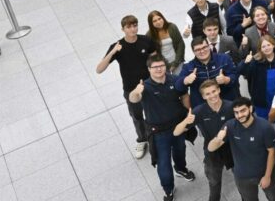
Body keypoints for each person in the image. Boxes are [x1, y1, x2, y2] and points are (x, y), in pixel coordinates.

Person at [130, 55, 195, 201]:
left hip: (179, 126)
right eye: (155, 67)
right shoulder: (145, 86)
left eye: (161, 66)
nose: (159, 69)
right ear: (149, 69)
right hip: (158, 132)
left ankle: (180, 169)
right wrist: (136, 91)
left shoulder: (174, 79)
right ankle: (168, 189)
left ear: (166, 66)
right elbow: (133, 99)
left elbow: (184, 96)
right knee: (163, 163)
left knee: (180, 151)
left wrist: (190, 114)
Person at [95, 15, 158, 159]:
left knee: (154, 111)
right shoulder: (117, 46)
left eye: (135, 25)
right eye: (129, 27)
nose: (133, 29)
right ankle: (142, 139)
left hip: (148, 84)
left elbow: (155, 58)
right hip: (130, 89)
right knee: (137, 116)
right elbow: (99, 69)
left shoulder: (146, 40)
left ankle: (156, 136)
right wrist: (113, 52)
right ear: (123, 29)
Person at [208, 97, 275, 201]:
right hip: (242, 176)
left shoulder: (265, 127)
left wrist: (267, 176)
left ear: (251, 108)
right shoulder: (229, 126)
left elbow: (272, 152)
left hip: (264, 172)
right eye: (236, 112)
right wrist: (218, 139)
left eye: (243, 110)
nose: (240, 115)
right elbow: (211, 148)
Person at [175, 80, 234, 201]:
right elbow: (176, 132)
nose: (212, 95)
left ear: (219, 90)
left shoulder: (231, 107)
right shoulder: (199, 111)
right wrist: (186, 121)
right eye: (208, 94)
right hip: (212, 152)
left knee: (241, 179)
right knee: (214, 183)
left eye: (214, 91)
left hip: (233, 149)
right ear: (203, 96)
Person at [177, 37, 240, 106]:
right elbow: (178, 86)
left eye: (204, 47)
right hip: (201, 107)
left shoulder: (224, 58)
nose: (202, 51)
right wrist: (185, 80)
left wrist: (226, 79)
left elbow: (235, 76)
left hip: (226, 103)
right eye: (198, 50)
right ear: (193, 51)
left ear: (209, 46)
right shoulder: (188, 67)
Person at [147, 10, 187, 75]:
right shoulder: (149, 35)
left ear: (163, 18)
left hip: (177, 60)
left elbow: (180, 44)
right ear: (151, 24)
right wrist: (165, 65)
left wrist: (175, 63)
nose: (158, 22)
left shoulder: (172, 27)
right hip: (162, 65)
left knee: (180, 80)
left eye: (159, 18)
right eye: (154, 21)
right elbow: (152, 54)